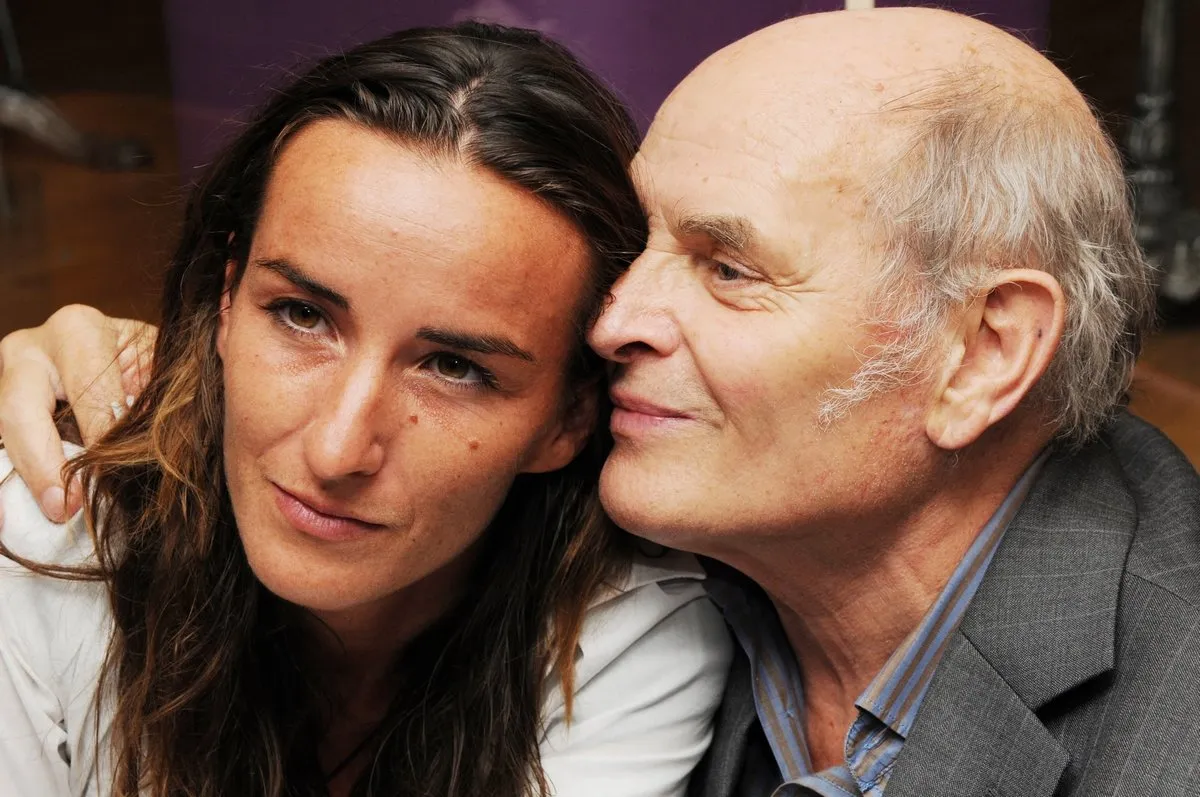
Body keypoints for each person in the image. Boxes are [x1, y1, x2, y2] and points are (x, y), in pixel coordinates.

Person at [6, 7, 1200, 797]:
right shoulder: (723, 560)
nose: (613, 319)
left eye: (727, 267)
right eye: (643, 247)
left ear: (984, 353)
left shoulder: (1170, 720)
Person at [0, 22, 731, 797]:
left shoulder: (623, 634)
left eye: (454, 367)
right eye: (302, 315)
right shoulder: (46, 538)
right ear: (224, 300)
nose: (338, 448)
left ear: (567, 420)